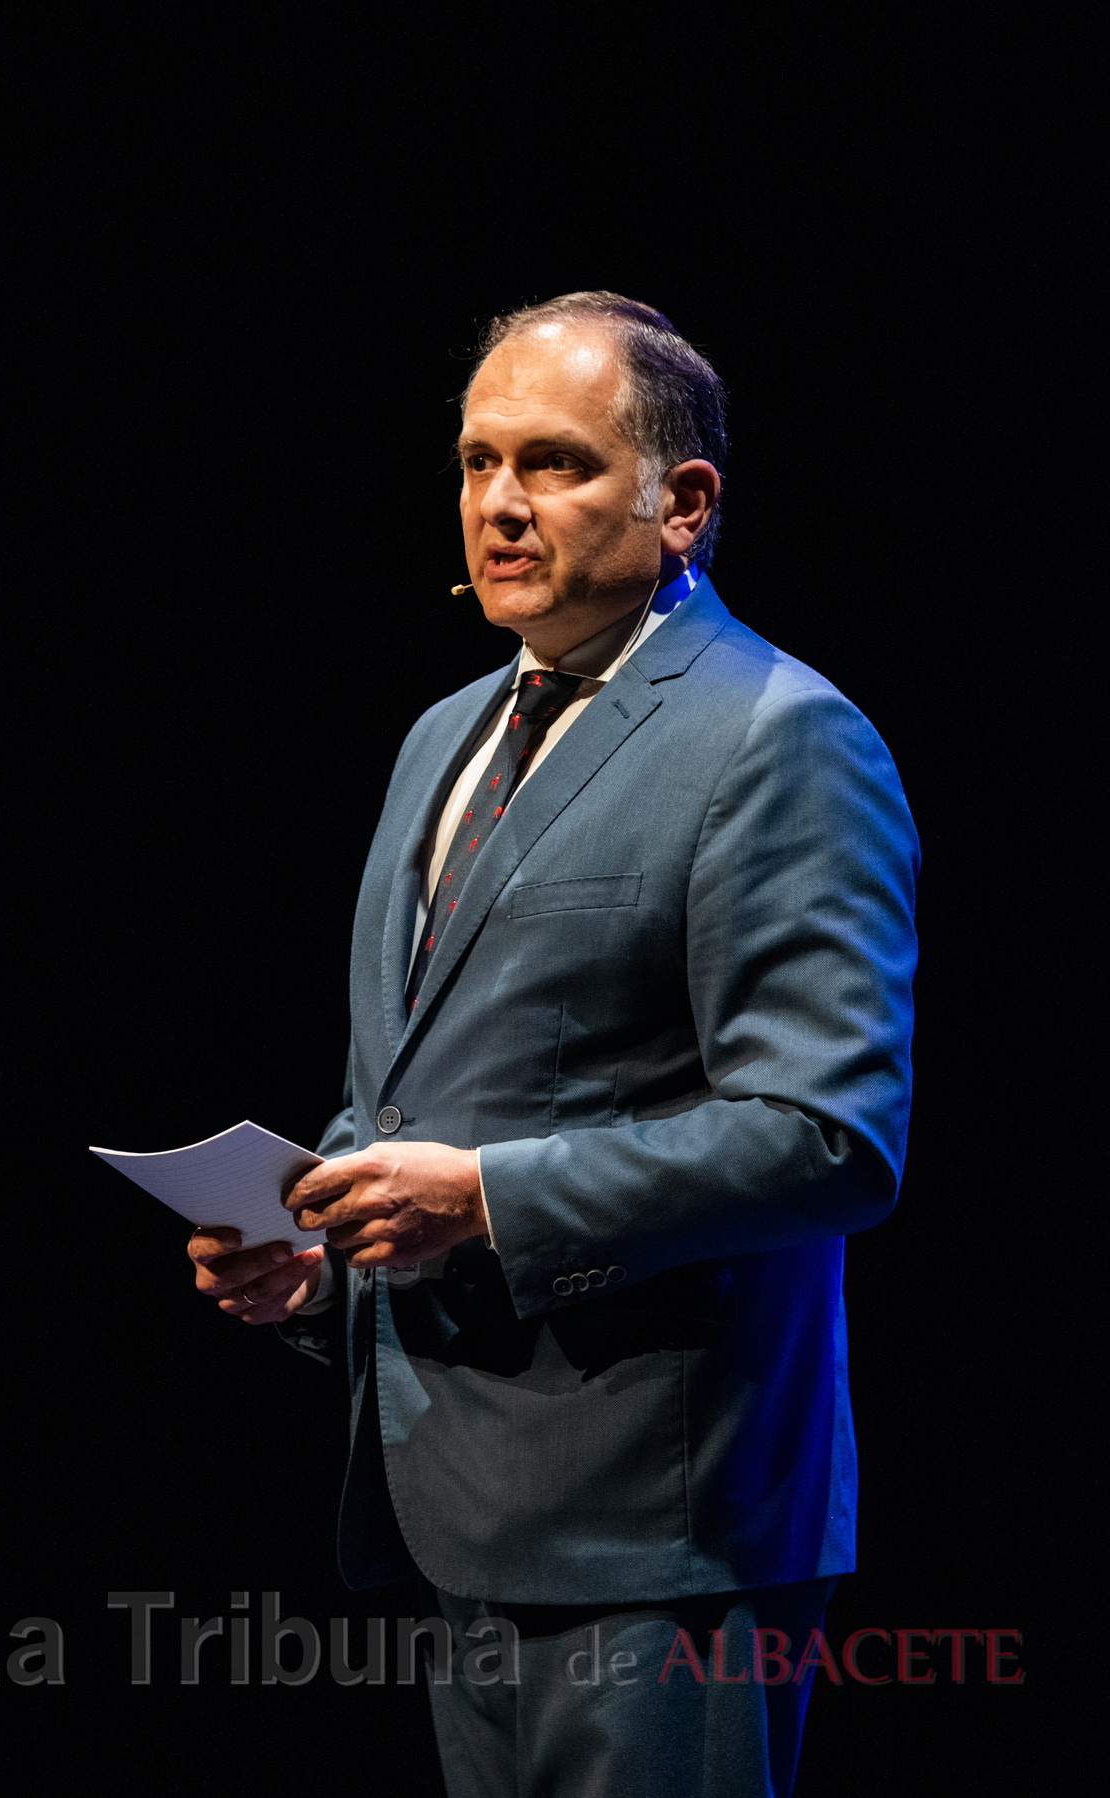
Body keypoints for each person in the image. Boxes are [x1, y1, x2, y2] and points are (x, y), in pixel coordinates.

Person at [187, 292, 919, 1797]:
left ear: (684, 503)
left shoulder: (778, 736)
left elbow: (831, 1137)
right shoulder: (441, 736)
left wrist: (492, 1199)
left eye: (558, 464)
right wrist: (321, 1247)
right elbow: (416, 1094)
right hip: (460, 1498)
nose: (501, 506)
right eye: (475, 462)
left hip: (667, 1530)